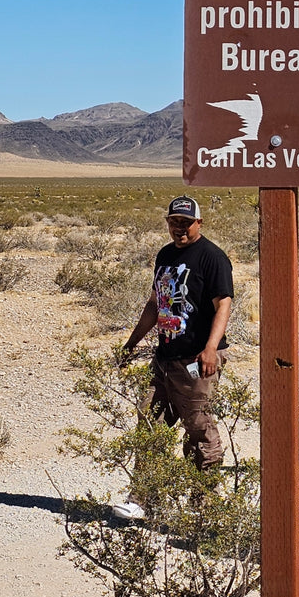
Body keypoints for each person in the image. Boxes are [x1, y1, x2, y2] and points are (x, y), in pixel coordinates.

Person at [117, 196, 233, 515]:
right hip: (165, 357)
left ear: (199, 223)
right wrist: (131, 344)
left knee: (198, 426)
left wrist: (211, 348)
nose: (179, 228)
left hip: (197, 360)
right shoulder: (165, 255)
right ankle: (143, 498)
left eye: (186, 222)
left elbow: (223, 303)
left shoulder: (212, 257)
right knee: (149, 422)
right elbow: (156, 304)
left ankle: (203, 501)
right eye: (174, 222)